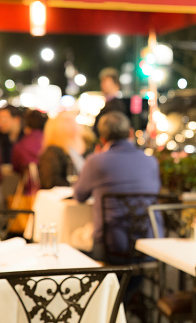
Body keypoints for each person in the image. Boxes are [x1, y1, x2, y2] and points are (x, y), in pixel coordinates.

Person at [73, 111, 161, 262]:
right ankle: (133, 285)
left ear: (102, 138)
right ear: (131, 133)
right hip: (149, 241)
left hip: (112, 244)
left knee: (76, 240)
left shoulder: (96, 162)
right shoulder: (151, 161)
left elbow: (79, 196)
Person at [39, 111, 86, 189]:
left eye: (73, 120)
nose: (73, 124)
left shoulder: (76, 150)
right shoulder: (52, 153)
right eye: (67, 121)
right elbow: (50, 182)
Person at [92, 67, 126, 138]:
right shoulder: (109, 103)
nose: (102, 85)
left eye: (106, 82)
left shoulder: (115, 105)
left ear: (116, 85)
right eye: (102, 82)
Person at [11, 109, 47, 175]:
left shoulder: (20, 145)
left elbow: (15, 168)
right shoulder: (48, 141)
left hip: (30, 184)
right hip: (49, 182)